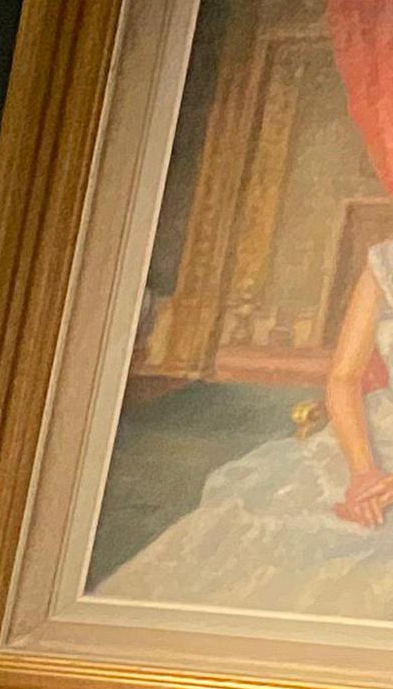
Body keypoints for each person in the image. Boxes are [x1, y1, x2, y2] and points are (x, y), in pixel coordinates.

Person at [98, 238, 393, 621]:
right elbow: (343, 377)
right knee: (250, 536)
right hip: (374, 435)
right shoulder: (383, 262)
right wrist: (362, 471)